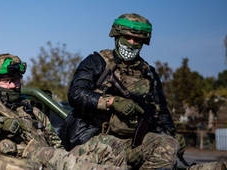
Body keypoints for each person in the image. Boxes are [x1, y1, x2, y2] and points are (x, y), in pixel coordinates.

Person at [0, 53, 126, 170]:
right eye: (7, 81)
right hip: (17, 162)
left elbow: (57, 146)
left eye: (17, 80)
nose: (14, 85)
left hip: (51, 158)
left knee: (108, 146)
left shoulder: (31, 109)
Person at [61, 13, 186, 169]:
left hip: (133, 140)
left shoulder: (149, 73)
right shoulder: (97, 62)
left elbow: (161, 110)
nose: (132, 43)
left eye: (137, 40)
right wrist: (111, 102)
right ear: (117, 36)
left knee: (168, 145)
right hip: (95, 137)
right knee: (113, 150)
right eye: (128, 37)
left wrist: (172, 133)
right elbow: (76, 93)